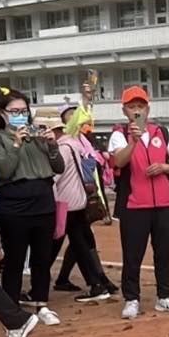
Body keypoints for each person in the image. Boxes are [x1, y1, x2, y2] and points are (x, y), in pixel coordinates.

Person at [109, 85, 169, 320]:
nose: (137, 110)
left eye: (141, 106)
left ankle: (164, 296)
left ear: (148, 109)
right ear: (124, 110)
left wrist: (163, 167)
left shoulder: (162, 132)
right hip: (134, 206)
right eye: (132, 106)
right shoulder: (119, 134)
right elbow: (118, 162)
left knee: (164, 252)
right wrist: (133, 141)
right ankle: (131, 298)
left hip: (163, 205)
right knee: (132, 255)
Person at [0, 87, 63, 325]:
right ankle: (12, 310)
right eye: (14, 111)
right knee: (14, 259)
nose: (20, 115)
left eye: (24, 111)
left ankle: (41, 303)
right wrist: (15, 145)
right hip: (14, 206)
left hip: (43, 202)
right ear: (2, 113)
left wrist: (51, 145)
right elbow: (3, 172)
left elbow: (59, 167)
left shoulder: (37, 135)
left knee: (42, 258)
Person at [52, 102, 114, 303]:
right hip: (76, 200)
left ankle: (97, 282)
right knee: (77, 241)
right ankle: (94, 281)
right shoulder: (76, 142)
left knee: (78, 241)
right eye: (70, 114)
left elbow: (55, 176)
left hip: (69, 201)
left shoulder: (71, 144)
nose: (75, 117)